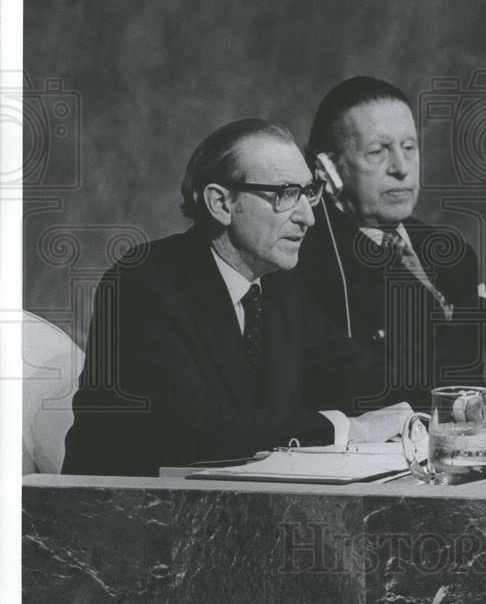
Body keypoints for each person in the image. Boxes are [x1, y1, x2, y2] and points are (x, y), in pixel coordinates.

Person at [62, 119, 393, 476]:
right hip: (120, 516)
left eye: (308, 192)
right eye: (285, 193)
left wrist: (454, 403)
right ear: (221, 203)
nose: (308, 217)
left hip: (226, 514)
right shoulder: (144, 282)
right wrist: (347, 429)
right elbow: (199, 429)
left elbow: (363, 375)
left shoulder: (281, 288)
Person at [297, 76, 486, 412]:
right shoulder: (307, 261)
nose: (401, 168)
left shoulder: (453, 255)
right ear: (328, 169)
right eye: (377, 152)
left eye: (409, 147)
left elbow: (469, 379)